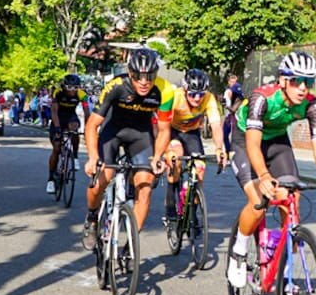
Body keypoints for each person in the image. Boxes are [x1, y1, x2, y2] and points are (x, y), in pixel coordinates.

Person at [224, 52, 316, 288]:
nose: (302, 87)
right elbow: (252, 143)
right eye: (296, 81)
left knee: (291, 199)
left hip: (277, 142)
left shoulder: (311, 105)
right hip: (245, 140)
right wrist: (264, 176)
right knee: (259, 201)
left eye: (308, 82)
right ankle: (239, 251)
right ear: (282, 80)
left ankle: (285, 268)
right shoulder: (262, 98)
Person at [81, 47, 174, 250]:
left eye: (149, 76)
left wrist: (158, 156)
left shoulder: (165, 90)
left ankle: (130, 246)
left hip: (140, 135)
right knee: (101, 179)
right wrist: (93, 157)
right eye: (138, 76)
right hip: (112, 132)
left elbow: (164, 130)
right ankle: (92, 218)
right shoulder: (116, 86)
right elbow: (91, 125)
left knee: (145, 187)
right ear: (130, 73)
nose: (144, 82)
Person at [163, 67, 226, 223]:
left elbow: (216, 125)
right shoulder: (175, 97)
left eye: (201, 94)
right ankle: (170, 199)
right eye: (192, 94)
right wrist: (165, 150)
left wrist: (219, 148)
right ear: (185, 90)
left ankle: (192, 213)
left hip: (192, 133)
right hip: (173, 131)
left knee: (200, 169)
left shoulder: (209, 98)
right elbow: (162, 126)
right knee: (176, 157)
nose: (197, 98)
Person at [45, 73, 87, 196]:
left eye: (75, 87)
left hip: (71, 117)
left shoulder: (82, 95)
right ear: (64, 87)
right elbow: (54, 111)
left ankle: (75, 156)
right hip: (58, 118)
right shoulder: (58, 93)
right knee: (57, 148)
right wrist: (58, 129)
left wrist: (89, 128)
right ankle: (51, 179)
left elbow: (87, 112)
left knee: (74, 129)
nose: (73, 90)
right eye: (69, 87)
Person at [221, 72, 244, 162]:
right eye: (231, 81)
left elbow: (234, 108)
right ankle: (228, 152)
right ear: (229, 82)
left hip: (236, 117)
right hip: (228, 116)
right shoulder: (228, 90)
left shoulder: (237, 90)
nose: (233, 83)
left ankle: (236, 154)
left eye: (235, 81)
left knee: (235, 136)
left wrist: (227, 106)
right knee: (224, 135)